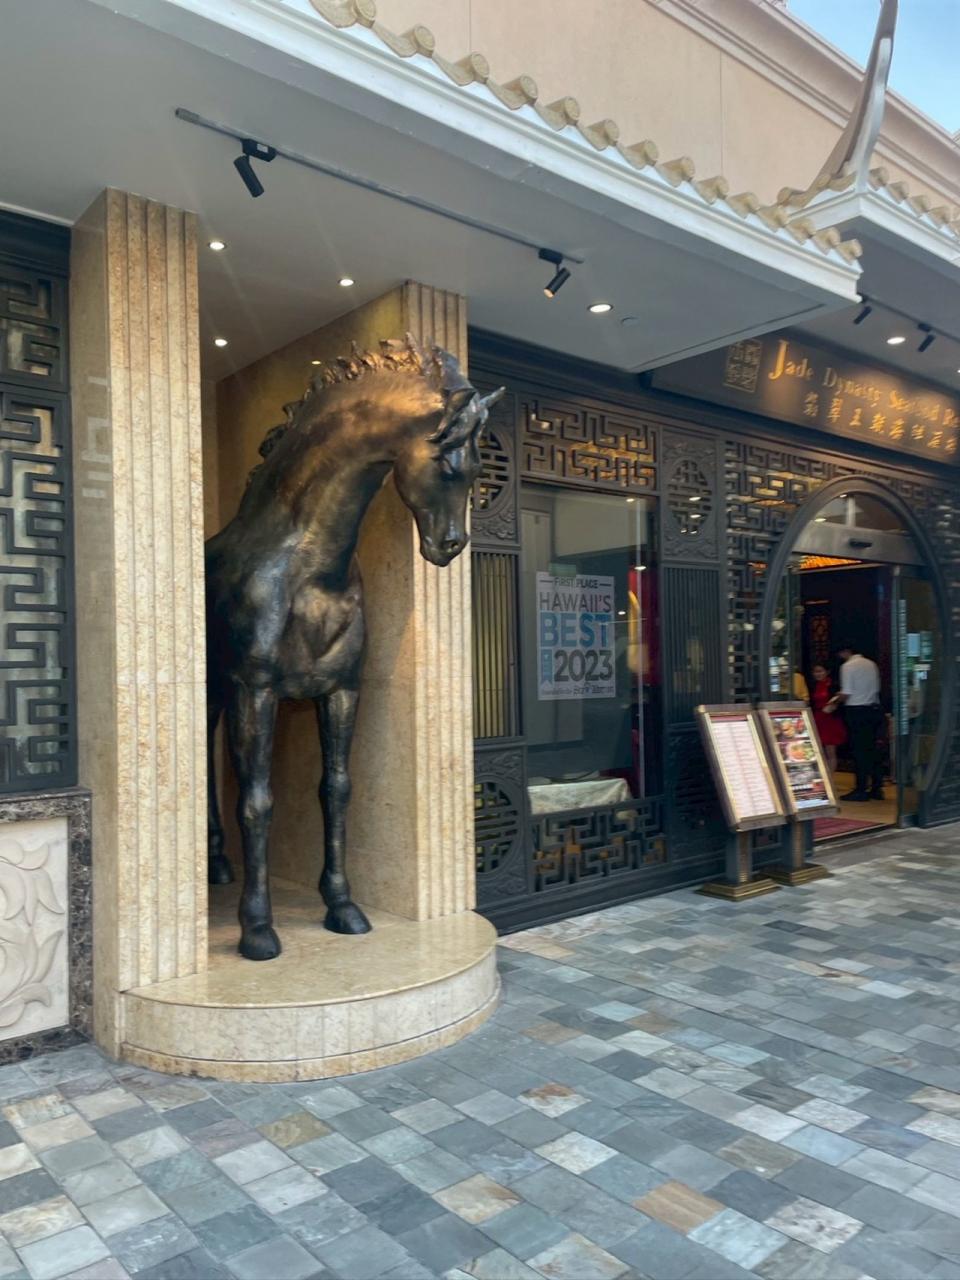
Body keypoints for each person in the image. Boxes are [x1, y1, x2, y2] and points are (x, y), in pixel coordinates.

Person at [833, 643, 883, 801]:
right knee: (872, 750)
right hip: (873, 709)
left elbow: (847, 692)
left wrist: (835, 701)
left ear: (845, 651)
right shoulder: (871, 664)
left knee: (859, 751)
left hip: (856, 711)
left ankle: (861, 789)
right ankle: (876, 787)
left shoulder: (848, 666)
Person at [810, 662, 846, 774]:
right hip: (817, 718)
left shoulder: (833, 685)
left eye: (820, 671)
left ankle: (829, 777)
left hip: (830, 720)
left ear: (827, 672)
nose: (818, 674)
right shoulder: (813, 685)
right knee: (817, 750)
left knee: (830, 751)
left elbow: (839, 703)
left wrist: (834, 705)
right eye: (815, 672)